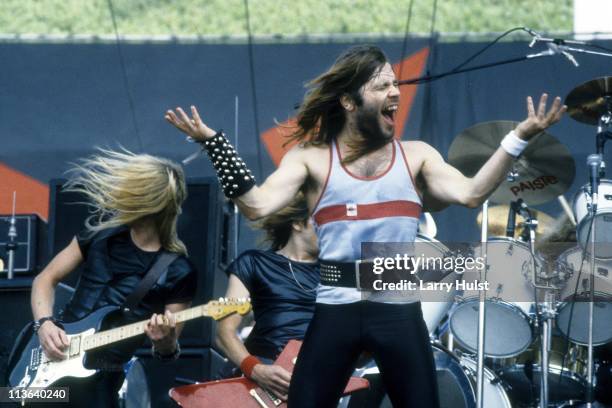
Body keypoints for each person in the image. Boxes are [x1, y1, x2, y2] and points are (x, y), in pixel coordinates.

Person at [165, 44, 565, 407]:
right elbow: (255, 206)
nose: (395, 92)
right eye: (381, 86)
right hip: (336, 307)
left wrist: (519, 137)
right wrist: (215, 143)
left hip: (396, 307)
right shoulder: (313, 159)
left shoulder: (416, 156)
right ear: (349, 101)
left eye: (396, 83)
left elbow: (472, 193)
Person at [30, 149, 197, 407]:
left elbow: (168, 351)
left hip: (98, 385)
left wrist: (164, 342)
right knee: (6, 397)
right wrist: (44, 325)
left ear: (146, 201)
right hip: (48, 365)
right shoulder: (99, 235)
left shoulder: (178, 270)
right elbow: (45, 279)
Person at [215, 193, 319, 401]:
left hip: (317, 379)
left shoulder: (341, 273)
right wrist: (256, 370)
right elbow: (224, 332)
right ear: (298, 223)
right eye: (322, 221)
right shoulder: (253, 263)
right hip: (260, 380)